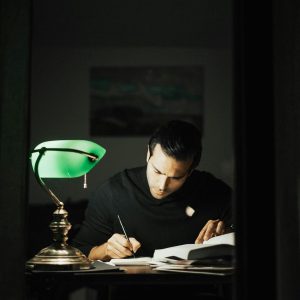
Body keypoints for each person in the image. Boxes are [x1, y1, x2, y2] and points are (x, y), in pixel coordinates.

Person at [72, 119, 233, 261]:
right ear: (148, 154)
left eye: (176, 177)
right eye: (157, 171)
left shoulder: (215, 191)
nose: (162, 185)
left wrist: (227, 234)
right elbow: (80, 253)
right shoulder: (113, 192)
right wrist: (105, 250)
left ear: (191, 170)